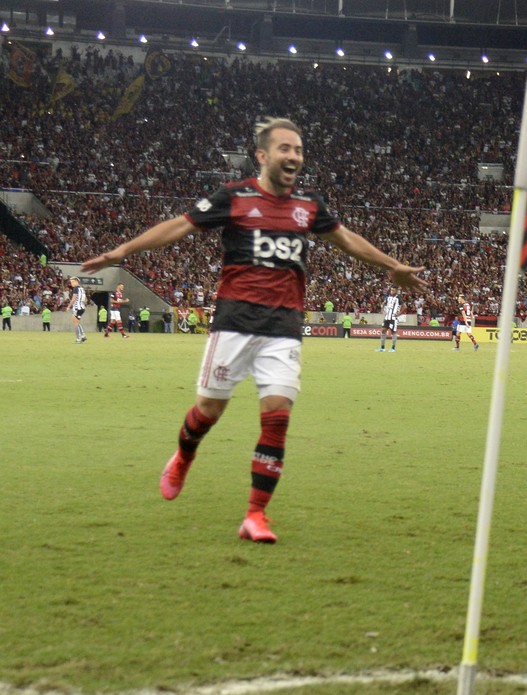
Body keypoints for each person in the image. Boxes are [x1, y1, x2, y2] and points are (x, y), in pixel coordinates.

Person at [81, 116, 427, 544]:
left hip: (284, 327)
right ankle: (184, 456)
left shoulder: (309, 206)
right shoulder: (235, 197)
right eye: (285, 148)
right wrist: (122, 250)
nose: (294, 156)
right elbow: (180, 225)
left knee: (277, 416)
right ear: (263, 156)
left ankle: (255, 515)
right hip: (234, 324)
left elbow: (347, 240)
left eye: (299, 150)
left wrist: (393, 265)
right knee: (209, 410)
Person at [377, 286, 401, 352]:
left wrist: (399, 314)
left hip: (393, 318)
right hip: (387, 317)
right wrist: (382, 306)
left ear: (396, 291)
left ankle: (393, 348)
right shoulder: (388, 297)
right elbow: (384, 303)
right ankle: (382, 347)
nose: (392, 291)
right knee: (383, 331)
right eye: (391, 290)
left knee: (393, 332)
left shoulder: (398, 298)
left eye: (393, 290)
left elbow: (405, 306)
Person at [67, 276, 88, 343]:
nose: (71, 284)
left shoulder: (76, 289)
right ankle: (83, 335)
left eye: (72, 282)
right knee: (77, 322)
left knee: (75, 323)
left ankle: (79, 338)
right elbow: (85, 300)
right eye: (71, 282)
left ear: (76, 281)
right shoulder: (82, 289)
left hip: (77, 308)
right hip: (82, 308)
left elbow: (74, 298)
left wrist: (69, 306)